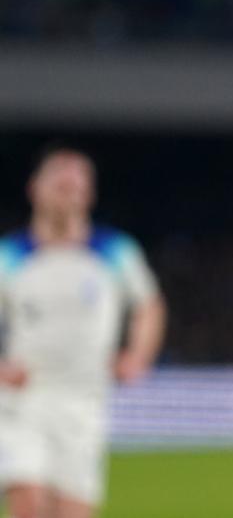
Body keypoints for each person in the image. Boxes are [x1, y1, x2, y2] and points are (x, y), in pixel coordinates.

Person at [0, 146, 166, 518]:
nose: (67, 190)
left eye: (75, 184)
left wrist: (138, 356)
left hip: (85, 399)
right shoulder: (10, 255)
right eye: (58, 182)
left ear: (88, 194)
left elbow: (149, 305)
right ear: (34, 189)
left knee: (72, 511)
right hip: (23, 397)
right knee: (28, 502)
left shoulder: (114, 251)